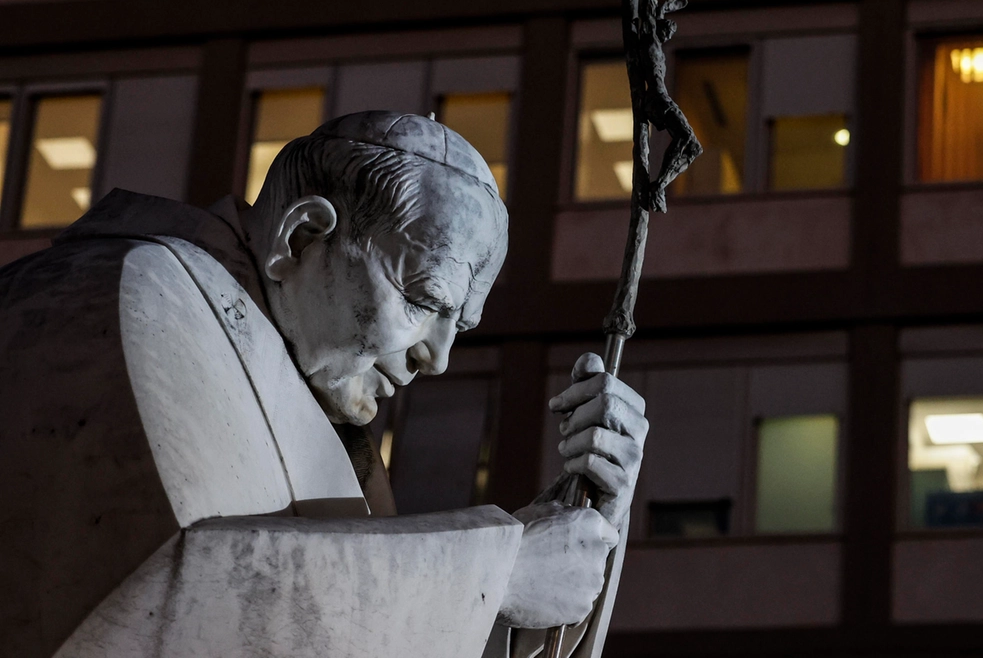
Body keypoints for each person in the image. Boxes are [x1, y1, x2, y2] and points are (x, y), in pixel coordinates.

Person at [0, 111, 646, 658]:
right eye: (423, 297)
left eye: (460, 325)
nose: (438, 357)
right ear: (301, 236)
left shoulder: (330, 423)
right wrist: (496, 571)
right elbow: (136, 605)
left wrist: (588, 513)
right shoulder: (117, 291)